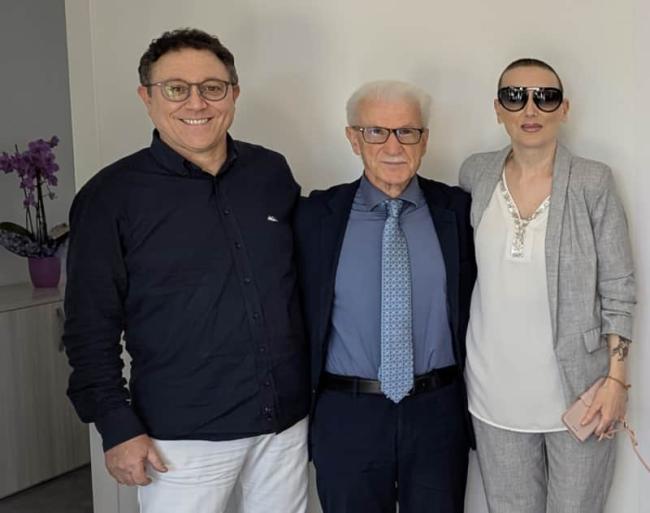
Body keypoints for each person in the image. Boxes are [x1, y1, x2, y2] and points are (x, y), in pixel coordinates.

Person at [62, 28, 309, 513]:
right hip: (181, 437)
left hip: (283, 423)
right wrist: (116, 425)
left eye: (212, 87)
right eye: (176, 88)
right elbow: (89, 327)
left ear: (233, 94)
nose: (197, 102)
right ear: (147, 97)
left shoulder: (270, 172)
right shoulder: (110, 197)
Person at [459, 58, 635, 513]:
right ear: (498, 108)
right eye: (515, 96)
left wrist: (617, 380)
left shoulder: (593, 181)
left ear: (565, 108)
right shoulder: (476, 174)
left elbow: (618, 285)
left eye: (546, 96)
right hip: (494, 394)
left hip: (580, 393)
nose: (530, 108)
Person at [294, 80, 476, 513]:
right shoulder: (314, 216)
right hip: (347, 415)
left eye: (407, 131)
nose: (393, 146)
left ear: (424, 140)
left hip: (438, 412)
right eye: (376, 131)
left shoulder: (458, 211)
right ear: (353, 138)